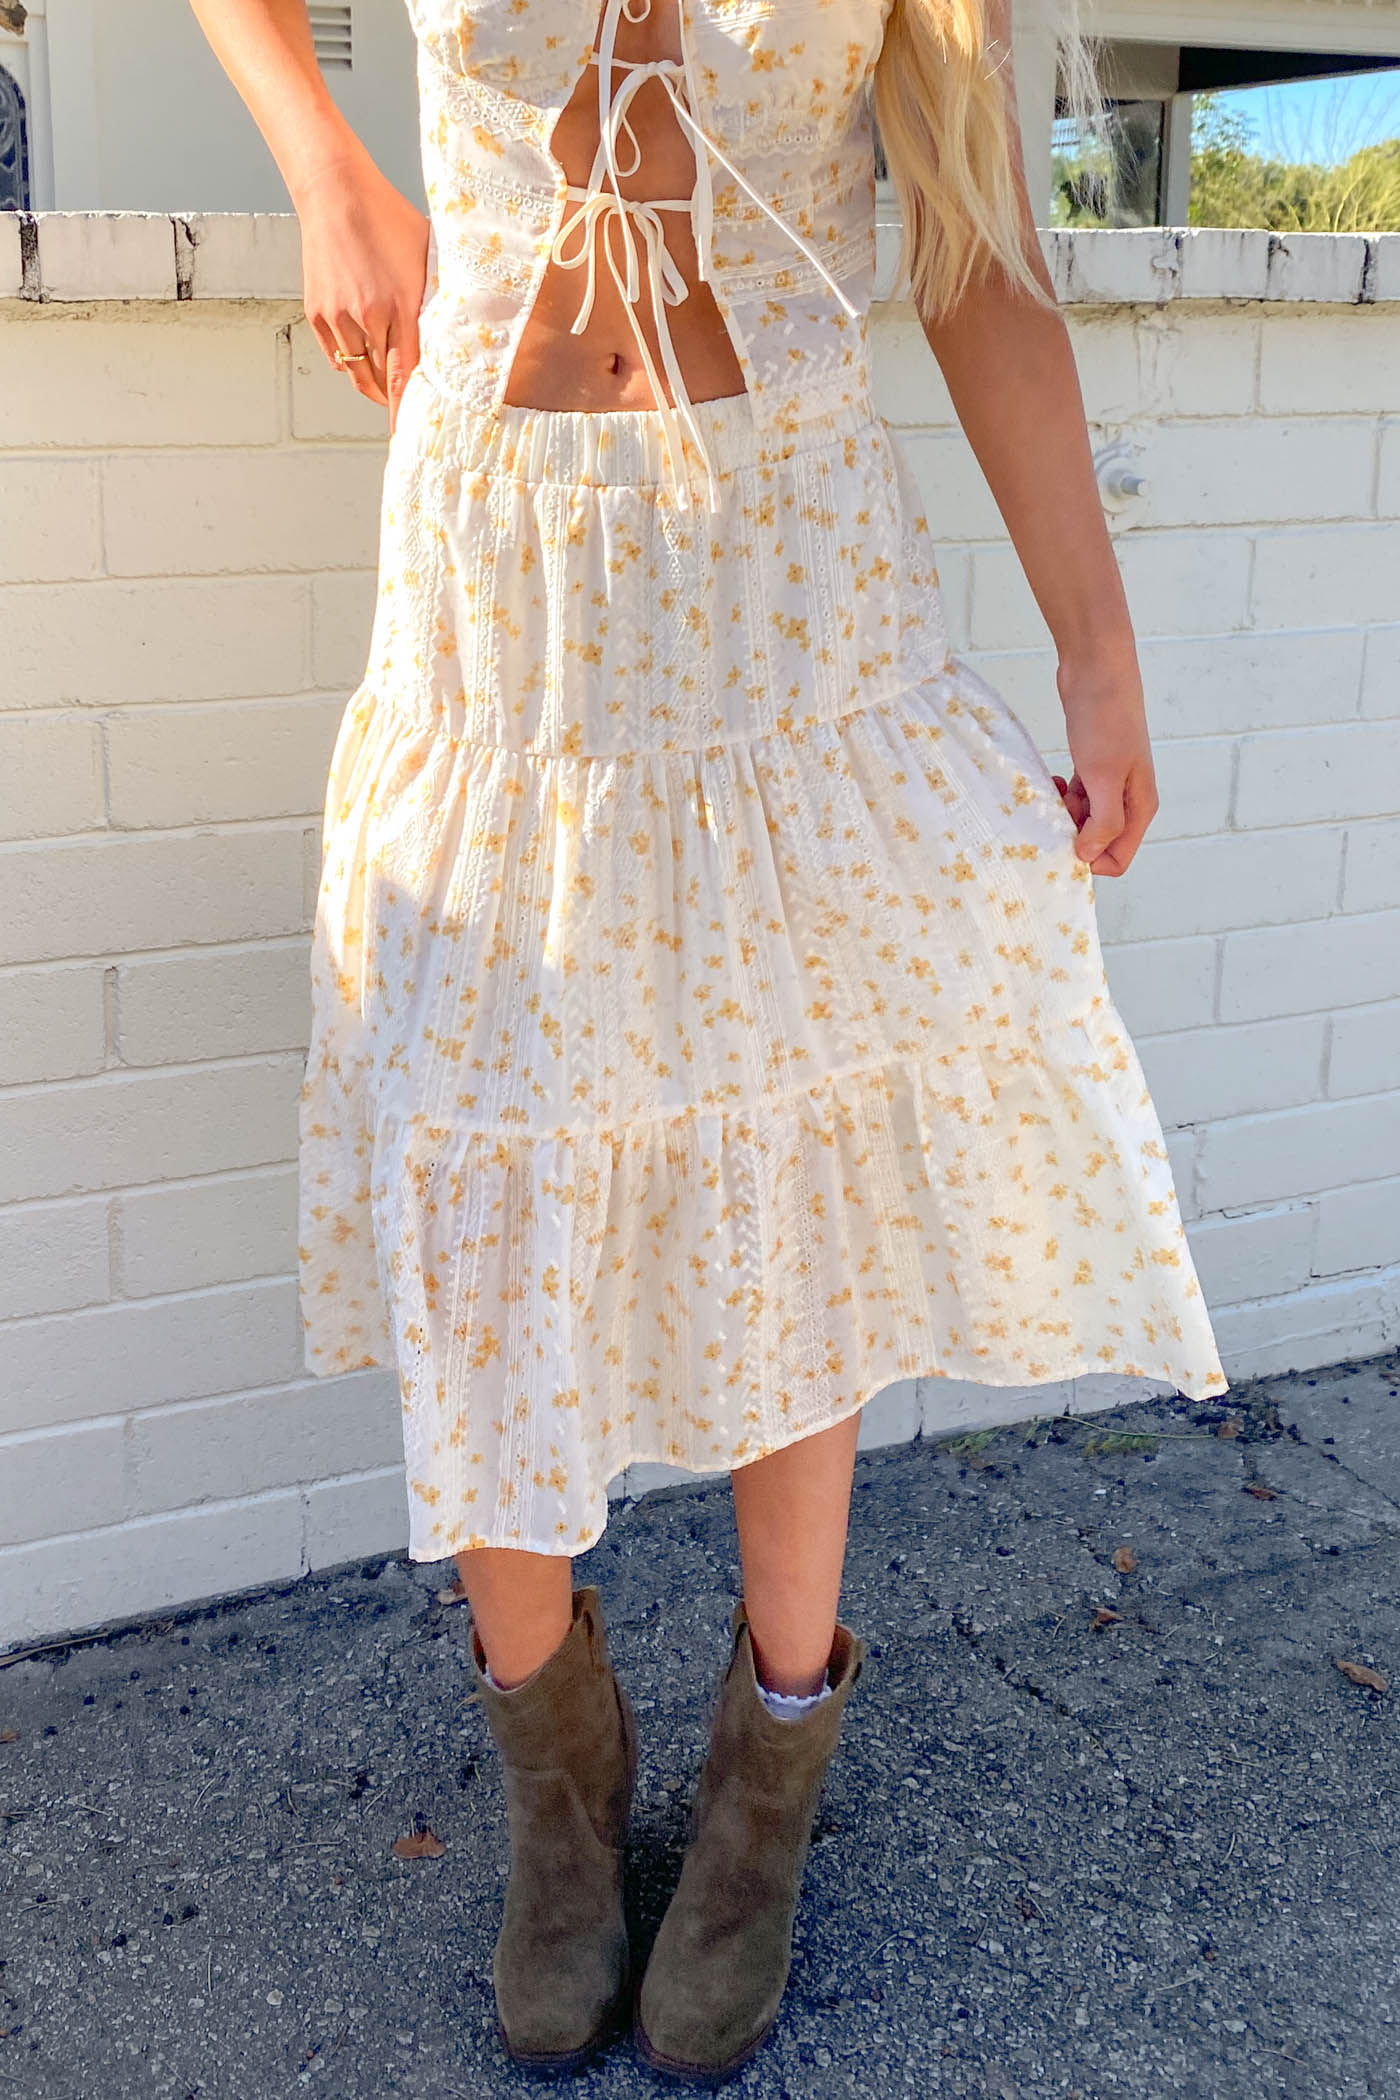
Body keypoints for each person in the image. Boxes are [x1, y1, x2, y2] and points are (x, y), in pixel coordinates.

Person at [191, 0, 1229, 2082]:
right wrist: (319, 160)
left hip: (791, 591)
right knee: (486, 1184)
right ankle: (557, 1799)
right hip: (501, 604)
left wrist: (1100, 659)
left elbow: (975, 262)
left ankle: (768, 1788)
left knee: (788, 1167)